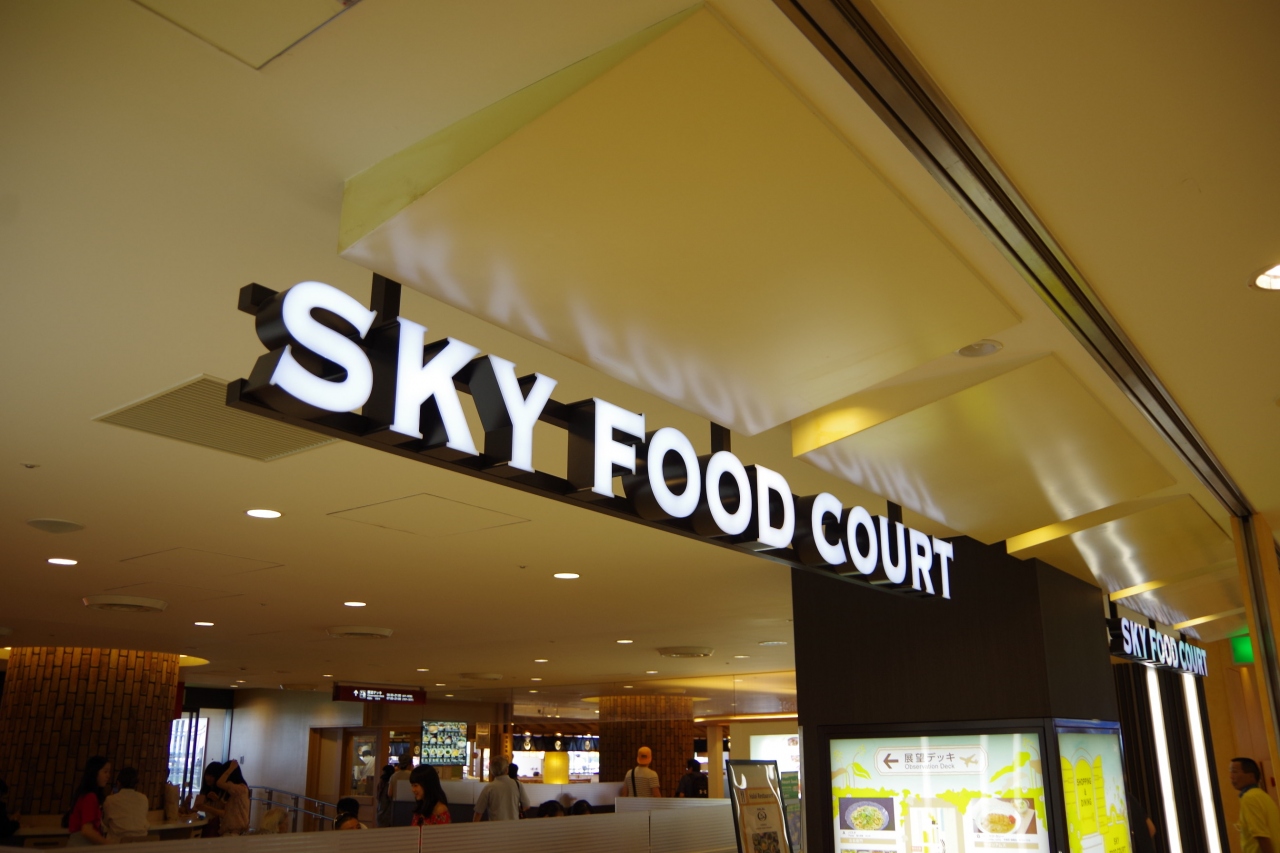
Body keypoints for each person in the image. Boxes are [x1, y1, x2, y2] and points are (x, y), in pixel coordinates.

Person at [1231, 757, 1280, 853]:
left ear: (1250, 776)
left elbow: (1262, 836)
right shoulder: (1263, 796)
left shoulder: (1249, 798)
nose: (1231, 777)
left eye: (1235, 772)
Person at [65, 756, 111, 846]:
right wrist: (110, 845)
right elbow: (87, 830)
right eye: (105, 772)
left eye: (109, 772)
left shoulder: (84, 794)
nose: (108, 776)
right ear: (94, 772)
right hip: (82, 846)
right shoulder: (90, 797)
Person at [102, 766, 149, 843]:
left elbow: (105, 822)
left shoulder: (110, 800)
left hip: (118, 843)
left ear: (118, 783)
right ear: (136, 784)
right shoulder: (144, 798)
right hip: (141, 842)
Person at [472, 755, 521, 822]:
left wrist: (474, 826)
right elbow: (526, 805)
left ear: (491, 771)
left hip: (495, 826)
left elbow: (478, 811)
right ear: (506, 770)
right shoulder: (517, 784)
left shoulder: (489, 788)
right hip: (514, 825)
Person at [215, 759, 250, 836]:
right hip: (233, 831)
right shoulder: (235, 790)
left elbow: (219, 783)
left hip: (235, 832)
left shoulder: (240, 789)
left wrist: (231, 768)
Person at [193, 762, 225, 837]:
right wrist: (186, 803)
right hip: (209, 826)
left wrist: (207, 808)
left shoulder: (224, 792)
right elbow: (195, 808)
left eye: (212, 776)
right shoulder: (205, 790)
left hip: (221, 828)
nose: (208, 778)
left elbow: (226, 812)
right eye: (207, 775)